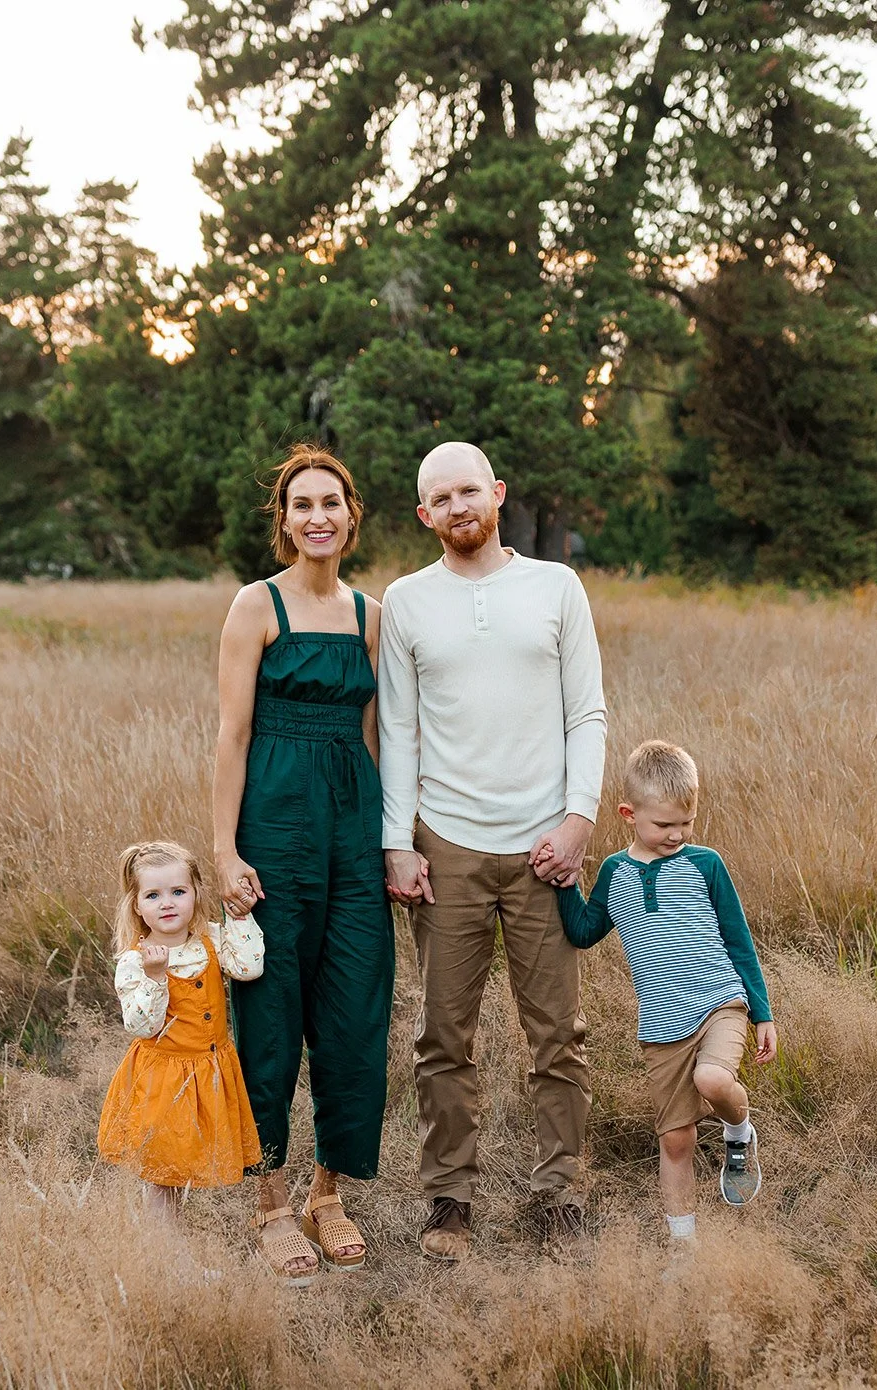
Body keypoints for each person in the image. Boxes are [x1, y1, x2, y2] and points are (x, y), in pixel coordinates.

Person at [378, 441, 607, 1262]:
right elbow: (397, 730)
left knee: (559, 1035)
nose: (457, 506)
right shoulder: (404, 602)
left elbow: (587, 713)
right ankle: (449, 1202)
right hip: (448, 847)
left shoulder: (556, 587)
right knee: (443, 1036)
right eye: (440, 498)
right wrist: (396, 843)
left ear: (498, 494)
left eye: (469, 490)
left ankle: (561, 1197)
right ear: (424, 515)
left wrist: (579, 820)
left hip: (544, 845)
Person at [213, 445, 392, 1282]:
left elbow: (376, 736)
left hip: (352, 833)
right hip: (275, 832)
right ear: (283, 521)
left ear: (351, 515)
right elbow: (232, 736)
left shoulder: (370, 614)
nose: (317, 517)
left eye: (331, 502)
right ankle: (272, 1202)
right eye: (301, 505)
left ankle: (329, 1193)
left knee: (354, 1014)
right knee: (272, 1014)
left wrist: (393, 839)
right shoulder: (257, 606)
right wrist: (225, 849)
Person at [553, 740, 777, 1248]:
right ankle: (683, 1248)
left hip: (720, 1002)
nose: (676, 835)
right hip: (661, 1027)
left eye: (686, 822)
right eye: (664, 825)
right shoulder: (614, 872)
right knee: (674, 1140)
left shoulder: (705, 865)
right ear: (629, 815)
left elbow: (738, 941)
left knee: (714, 1077)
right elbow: (584, 932)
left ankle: (740, 1133)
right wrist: (567, 883)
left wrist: (761, 1012)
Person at [96, 842, 268, 1236]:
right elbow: (141, 1026)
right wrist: (157, 977)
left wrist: (239, 918)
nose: (167, 903)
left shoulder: (208, 938)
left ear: (196, 893)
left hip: (208, 1072)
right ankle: (169, 1260)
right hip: (163, 1079)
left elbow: (249, 967)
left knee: (182, 1169)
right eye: (153, 895)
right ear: (137, 906)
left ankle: (172, 1253)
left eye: (178, 892)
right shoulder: (135, 960)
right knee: (162, 1175)